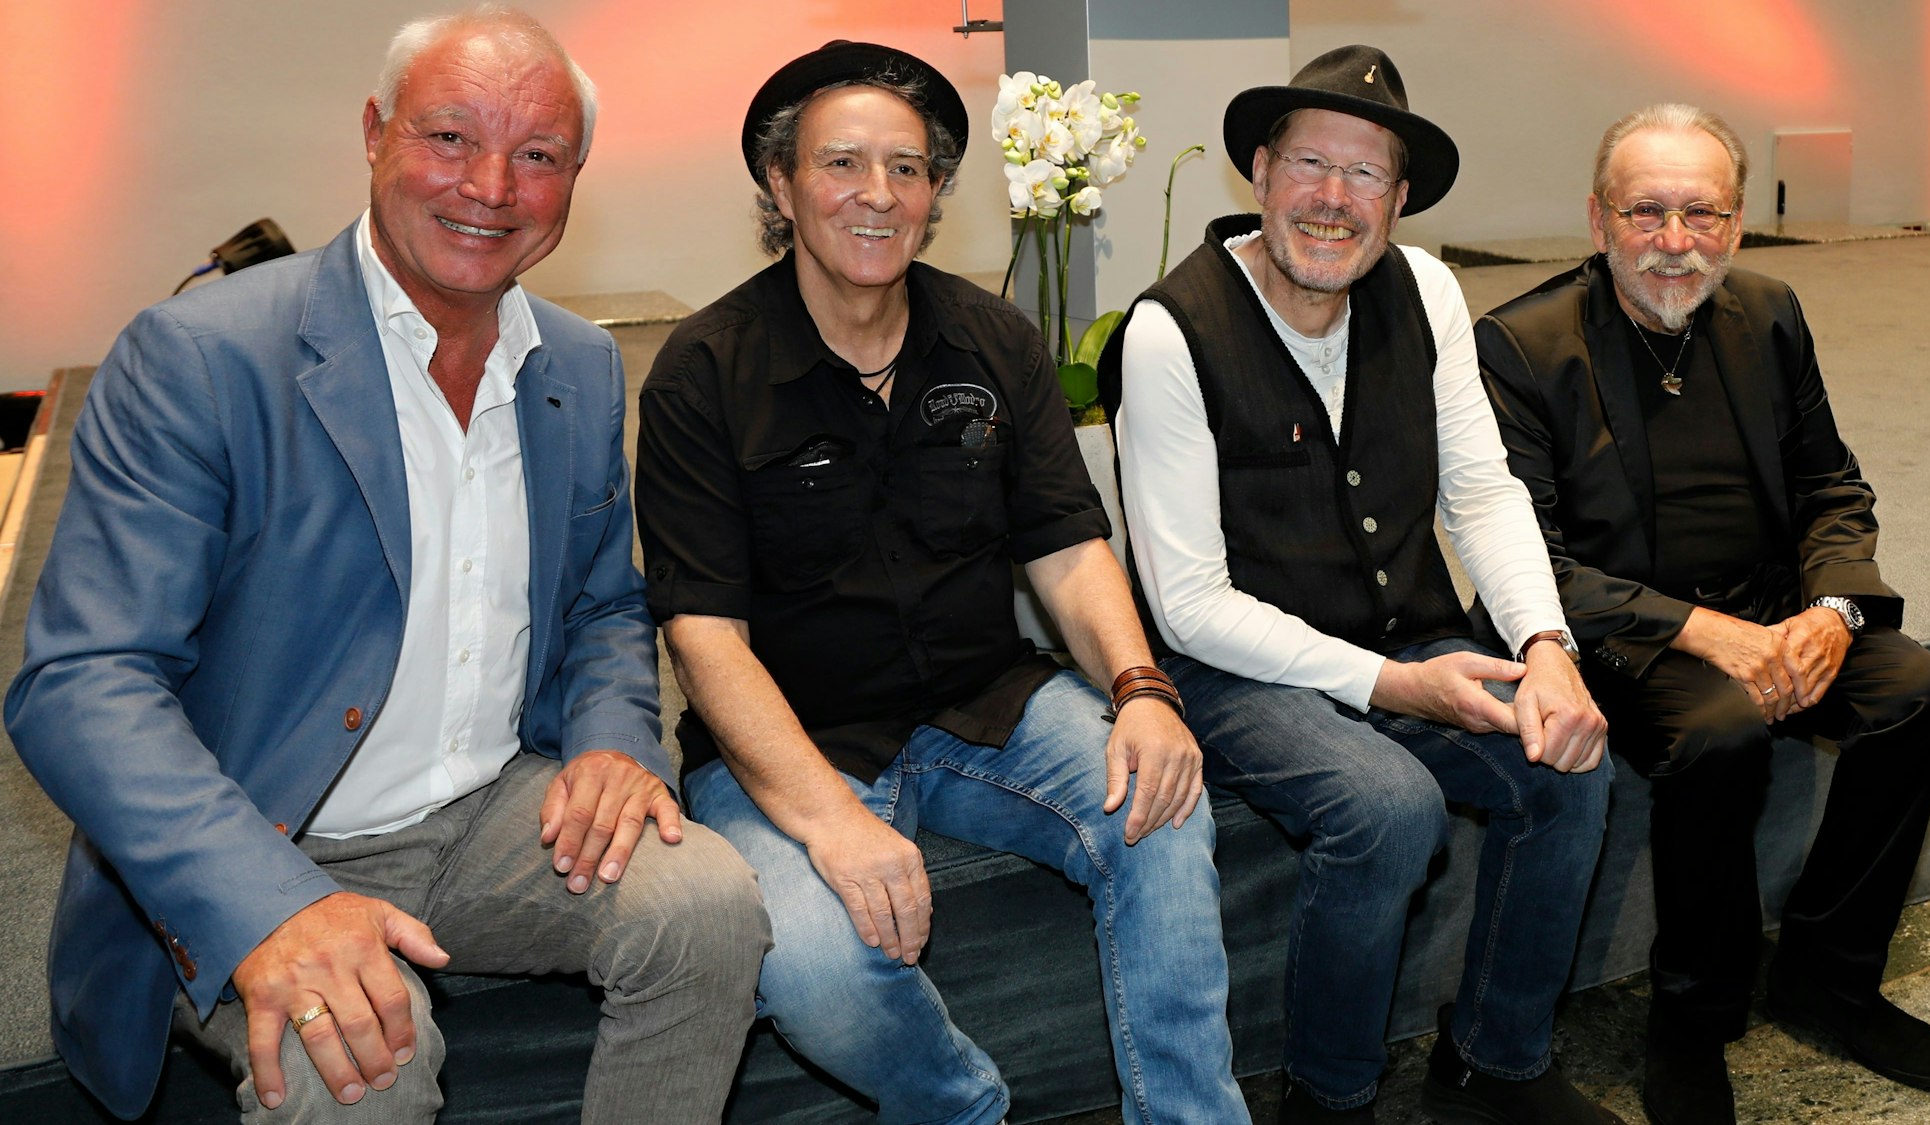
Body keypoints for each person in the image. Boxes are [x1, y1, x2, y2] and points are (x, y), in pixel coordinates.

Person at [4, 8, 768, 1122]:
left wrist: (613, 739)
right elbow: (82, 681)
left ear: (573, 182)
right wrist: (266, 904)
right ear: (374, 133)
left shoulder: (580, 364)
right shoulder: (199, 361)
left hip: (486, 811)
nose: (491, 187)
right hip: (261, 828)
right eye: (449, 138)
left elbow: (605, 603)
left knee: (708, 907)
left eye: (539, 156)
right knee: (366, 1059)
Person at [635, 40, 1249, 1125]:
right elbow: (704, 637)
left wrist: (1142, 692)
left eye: (907, 169)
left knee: (1162, 808)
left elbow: (1066, 546)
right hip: (793, 741)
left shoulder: (992, 340)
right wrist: (830, 821)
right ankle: (967, 1110)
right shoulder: (705, 369)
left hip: (990, 702)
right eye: (842, 164)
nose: (877, 195)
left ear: (933, 195)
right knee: (814, 965)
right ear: (780, 187)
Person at [1102, 44, 1619, 1125]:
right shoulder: (1168, 330)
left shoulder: (1423, 287)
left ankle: (1493, 1059)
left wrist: (1545, 649)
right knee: (1385, 806)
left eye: (1365, 176)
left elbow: (1479, 490)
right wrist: (1391, 687)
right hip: (1233, 664)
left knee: (1569, 763)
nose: (1332, 200)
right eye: (1308, 165)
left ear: (1397, 198)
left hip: (1400, 632)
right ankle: (1329, 1097)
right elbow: (1188, 604)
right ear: (1257, 171)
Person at [1474, 103, 1930, 1125]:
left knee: (1920, 692)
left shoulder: (1769, 310)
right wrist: (1705, 635)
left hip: (1770, 608)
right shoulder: (1521, 346)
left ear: (1736, 223)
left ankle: (1826, 974)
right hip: (1626, 635)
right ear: (1598, 218)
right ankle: (1691, 1018)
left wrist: (1829, 612)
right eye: (1644, 212)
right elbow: (1527, 561)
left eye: (1699, 215)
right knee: (1720, 731)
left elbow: (1831, 486)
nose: (1671, 242)